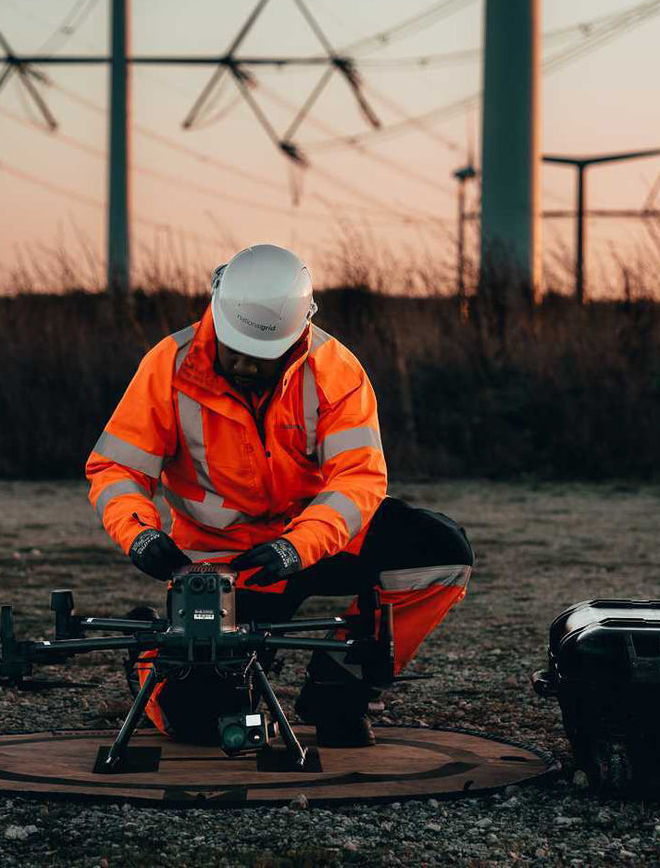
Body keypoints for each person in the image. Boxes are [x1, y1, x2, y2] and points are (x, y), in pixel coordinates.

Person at [86, 244, 473, 747]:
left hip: (313, 541)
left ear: (299, 334)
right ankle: (152, 658)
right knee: (201, 725)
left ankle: (339, 688)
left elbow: (358, 481)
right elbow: (117, 468)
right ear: (216, 316)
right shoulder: (168, 367)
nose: (247, 367)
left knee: (439, 553)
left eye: (262, 357)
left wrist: (298, 546)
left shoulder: (336, 371)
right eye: (236, 351)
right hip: (227, 562)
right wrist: (138, 534)